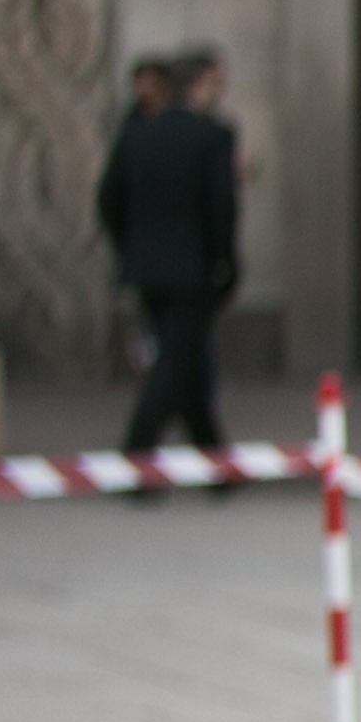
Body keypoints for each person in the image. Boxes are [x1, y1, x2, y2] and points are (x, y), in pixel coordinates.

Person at [97, 45, 239, 467]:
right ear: (197, 86)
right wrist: (223, 261)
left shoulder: (136, 134)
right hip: (192, 269)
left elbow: (108, 199)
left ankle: (216, 464)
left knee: (185, 361)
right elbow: (221, 207)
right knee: (174, 362)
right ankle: (137, 456)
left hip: (145, 267)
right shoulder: (212, 136)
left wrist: (131, 246)